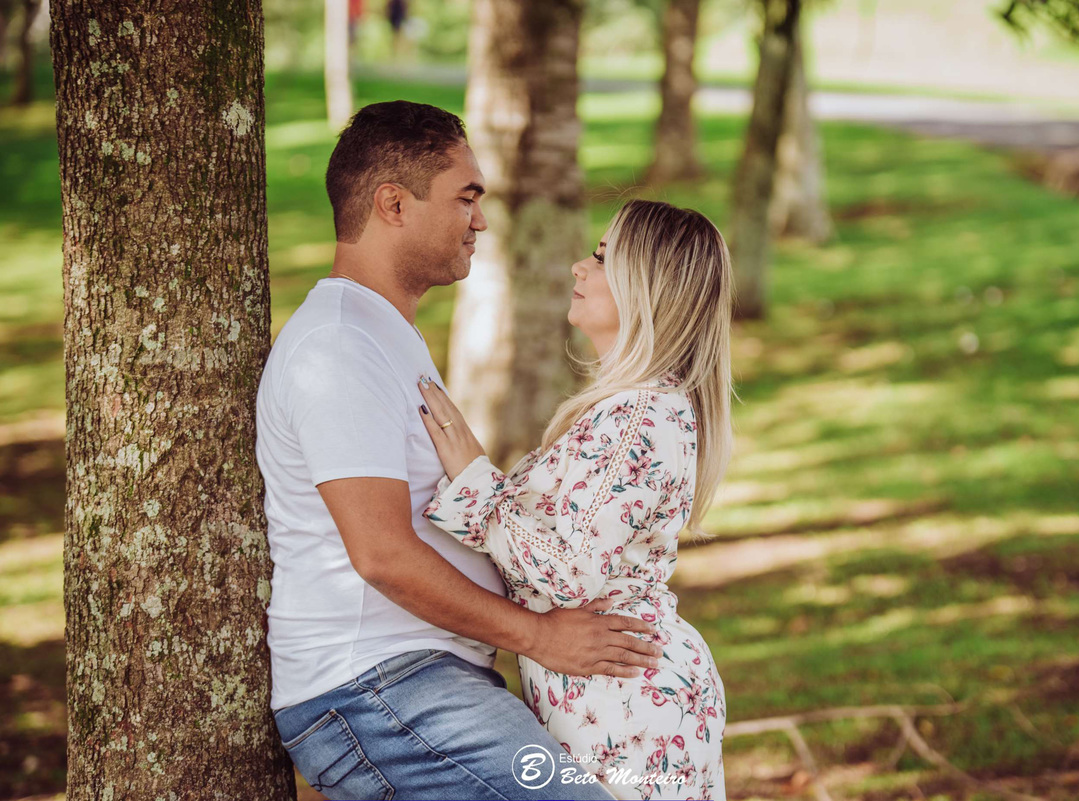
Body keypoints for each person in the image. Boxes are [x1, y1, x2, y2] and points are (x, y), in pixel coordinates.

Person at [255, 100, 662, 801]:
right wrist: (539, 635)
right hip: (378, 689)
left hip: (416, 682)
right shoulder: (339, 346)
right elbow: (381, 553)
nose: (480, 219)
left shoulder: (384, 334)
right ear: (393, 204)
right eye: (466, 197)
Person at [418, 199, 733, 800]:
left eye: (602, 257)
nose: (577, 267)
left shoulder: (641, 413)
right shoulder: (637, 407)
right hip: (611, 694)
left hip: (628, 708)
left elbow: (571, 572)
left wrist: (474, 479)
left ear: (649, 288)